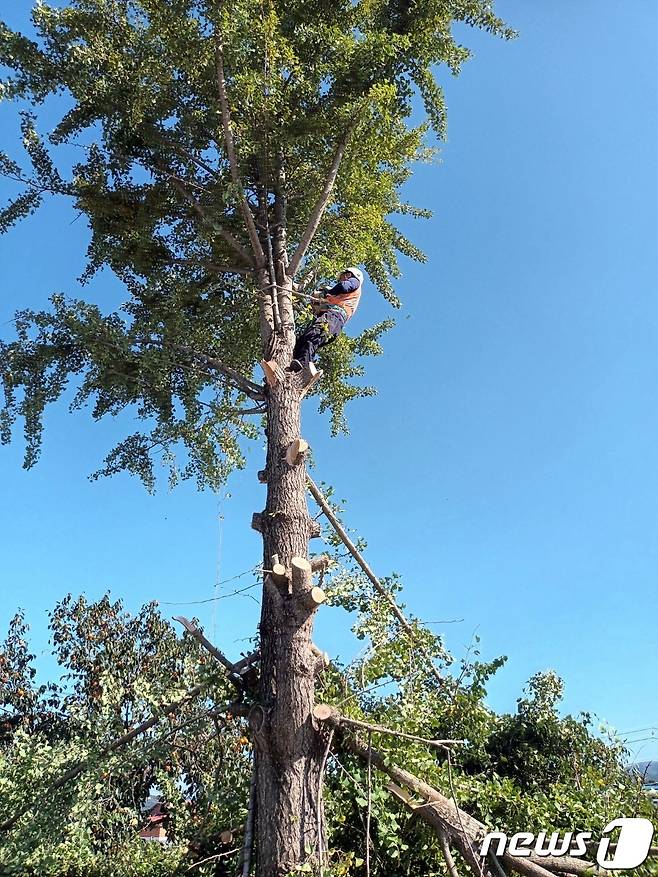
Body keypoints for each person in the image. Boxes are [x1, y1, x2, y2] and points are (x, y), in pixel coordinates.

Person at [288, 267, 364, 372]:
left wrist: (329, 292)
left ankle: (303, 368)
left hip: (334, 318)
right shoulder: (340, 297)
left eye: (342, 277)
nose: (340, 280)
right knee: (302, 342)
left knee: (312, 336)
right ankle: (293, 371)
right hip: (332, 321)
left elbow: (343, 286)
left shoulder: (354, 282)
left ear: (349, 275)